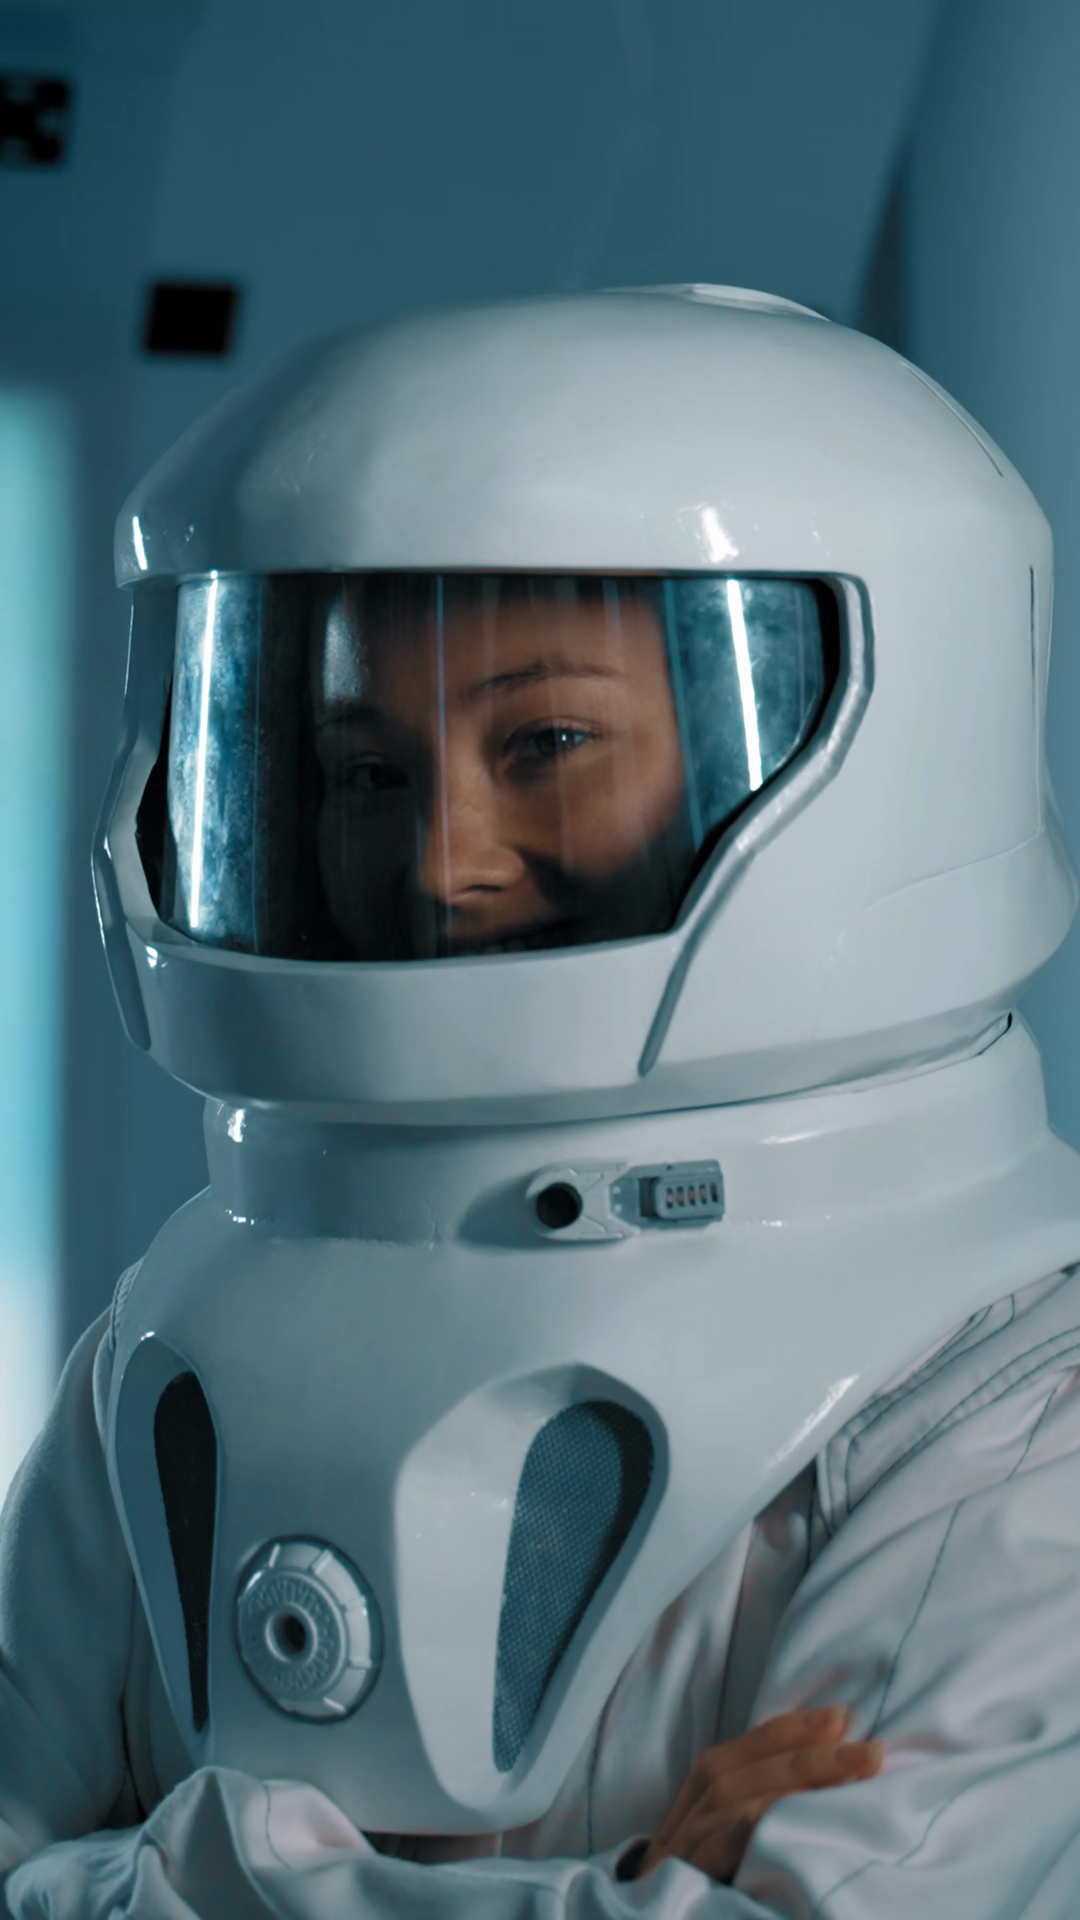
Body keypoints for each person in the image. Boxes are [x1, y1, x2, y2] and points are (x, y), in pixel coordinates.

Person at [6, 286, 1080, 1919]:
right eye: (368, 772)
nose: (443, 863)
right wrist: (625, 1890)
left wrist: (155, 1870)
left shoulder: (1012, 1412)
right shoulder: (168, 1349)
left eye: (551, 743)